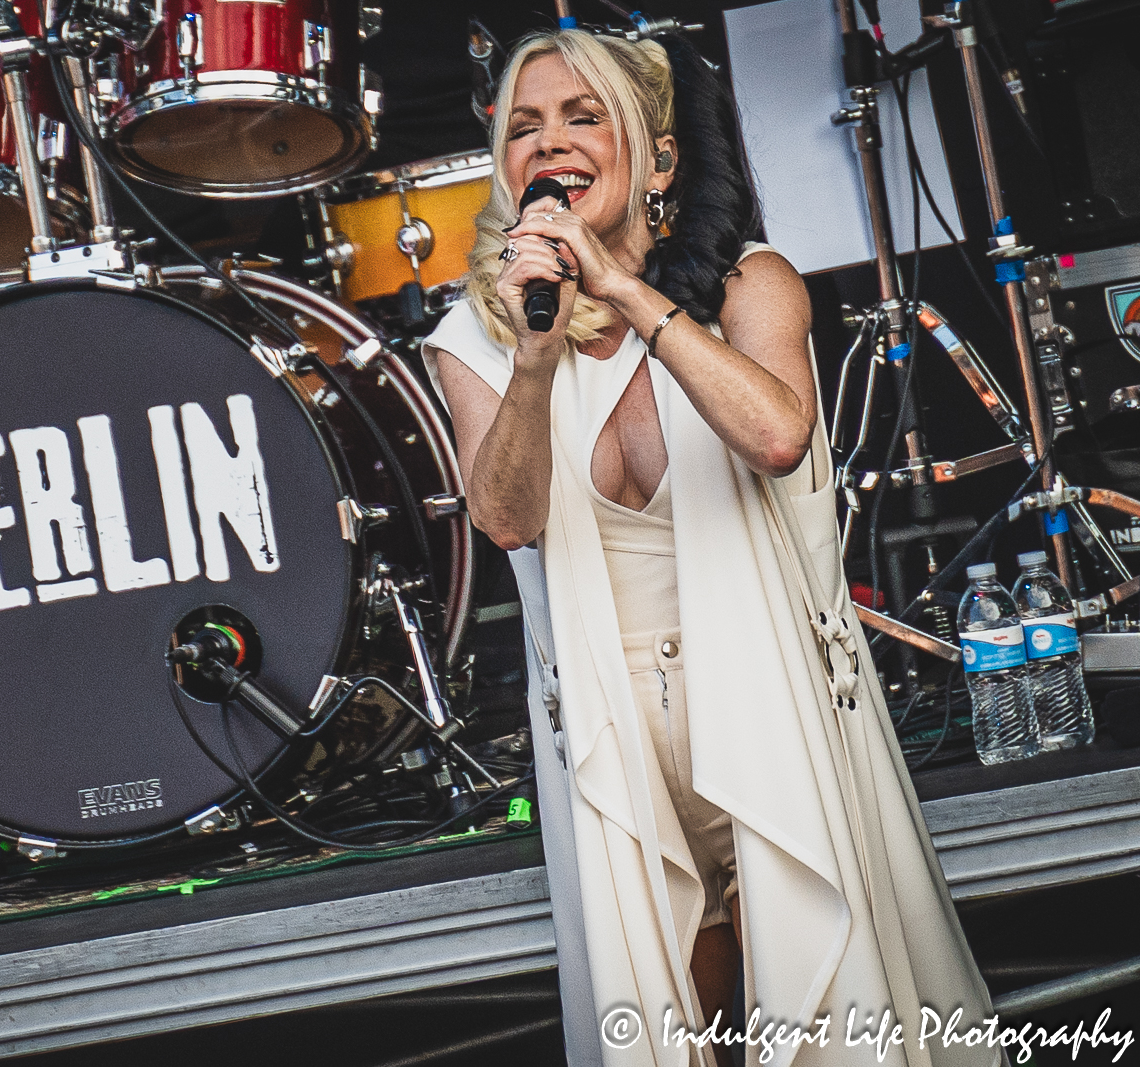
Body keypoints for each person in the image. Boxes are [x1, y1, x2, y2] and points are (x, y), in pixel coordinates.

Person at [421, 28, 998, 1066]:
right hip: (612, 726)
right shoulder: (480, 336)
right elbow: (506, 516)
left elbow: (775, 435)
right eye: (522, 127)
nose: (546, 143)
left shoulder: (749, 284)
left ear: (660, 156)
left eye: (580, 115)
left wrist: (632, 291)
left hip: (769, 691)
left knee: (826, 1010)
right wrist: (539, 357)